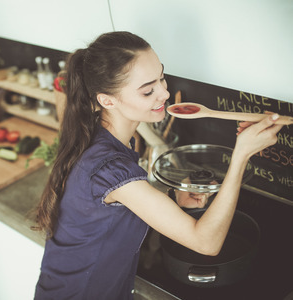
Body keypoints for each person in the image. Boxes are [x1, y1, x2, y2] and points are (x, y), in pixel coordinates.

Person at [32, 31, 283, 299]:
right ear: (107, 100)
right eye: (148, 90)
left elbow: (115, 203)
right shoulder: (108, 166)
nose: (164, 93)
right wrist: (241, 155)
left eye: (161, 77)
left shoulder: (102, 137)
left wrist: (166, 198)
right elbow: (206, 242)